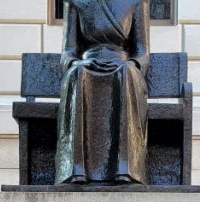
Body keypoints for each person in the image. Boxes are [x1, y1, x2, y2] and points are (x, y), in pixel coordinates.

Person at [56, 0, 149, 184]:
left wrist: (133, 63)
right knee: (77, 74)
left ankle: (126, 169)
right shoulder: (76, 2)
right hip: (87, 65)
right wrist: (75, 63)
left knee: (128, 74)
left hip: (122, 66)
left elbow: (142, 51)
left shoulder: (137, 2)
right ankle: (76, 169)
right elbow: (68, 51)